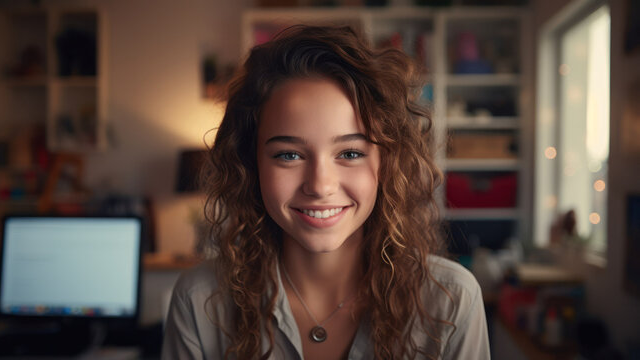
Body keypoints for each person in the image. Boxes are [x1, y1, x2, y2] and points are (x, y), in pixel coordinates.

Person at [162, 25, 490, 360]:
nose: (320, 185)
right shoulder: (200, 302)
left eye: (350, 154)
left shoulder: (452, 301)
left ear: (387, 163)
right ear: (252, 164)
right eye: (289, 155)